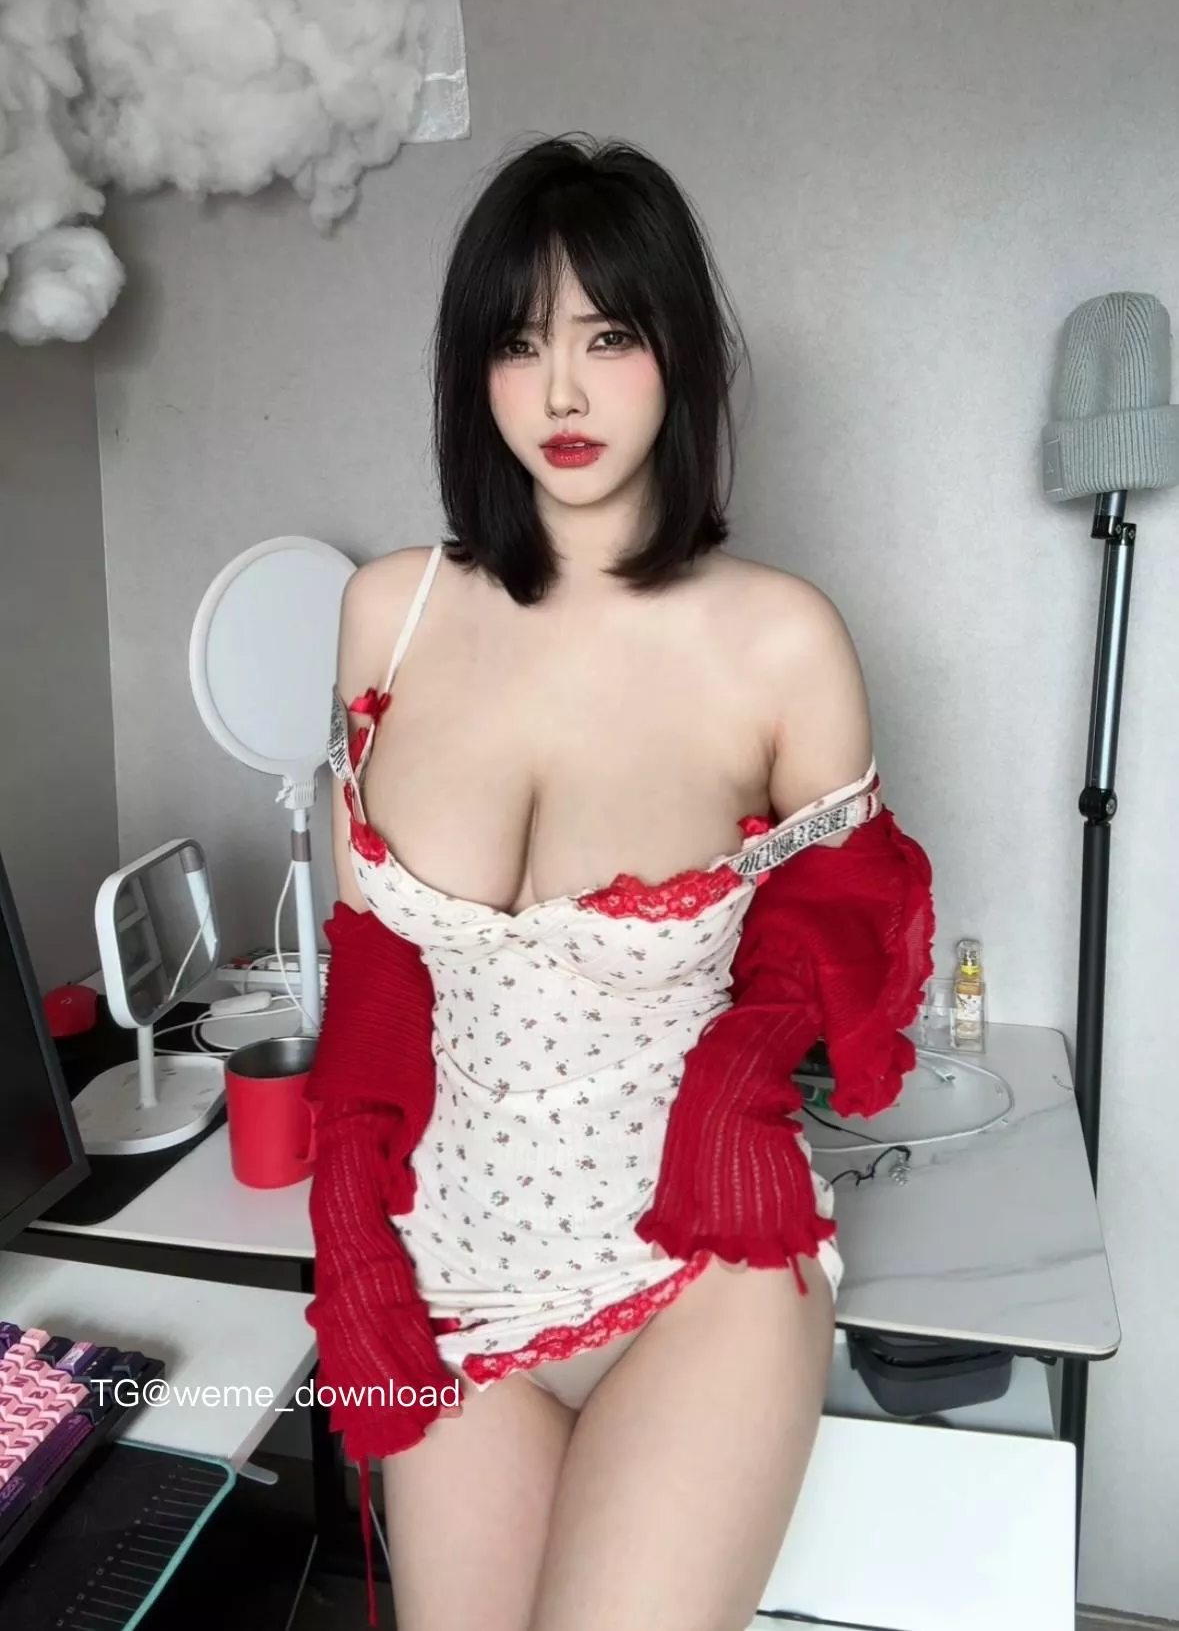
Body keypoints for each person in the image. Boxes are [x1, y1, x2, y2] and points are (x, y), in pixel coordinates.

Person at [305, 133, 935, 1631]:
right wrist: (349, 1217)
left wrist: (737, 1086)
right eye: (520, 343)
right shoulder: (388, 614)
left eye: (608, 337)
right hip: (451, 1272)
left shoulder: (779, 638)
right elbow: (379, 961)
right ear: (472, 371)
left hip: (699, 1266)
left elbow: (838, 929)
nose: (563, 394)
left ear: (680, 357)